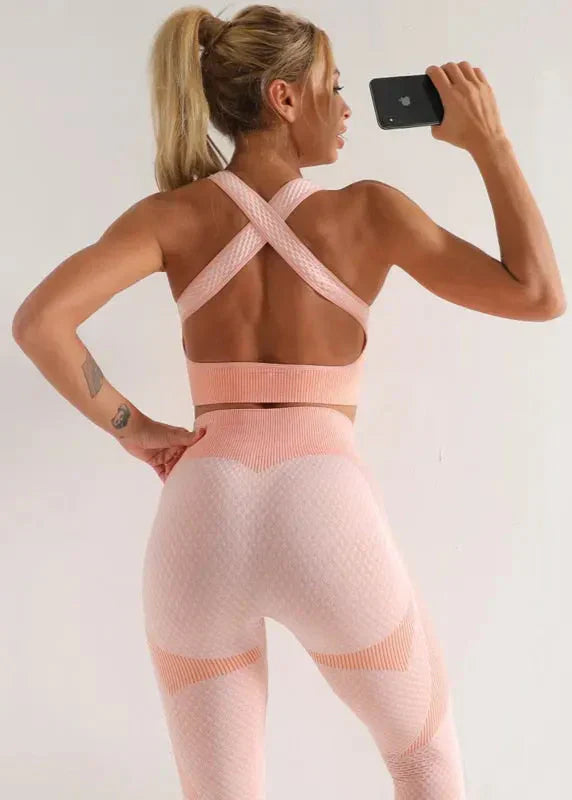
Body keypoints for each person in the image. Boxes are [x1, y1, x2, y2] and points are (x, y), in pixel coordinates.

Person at [12, 4, 566, 799]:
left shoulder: (172, 217)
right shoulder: (369, 213)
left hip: (199, 508)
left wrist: (135, 430)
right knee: (424, 759)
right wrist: (490, 142)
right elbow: (539, 294)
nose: (344, 107)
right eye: (331, 87)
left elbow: (39, 323)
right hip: (323, 506)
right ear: (283, 97)